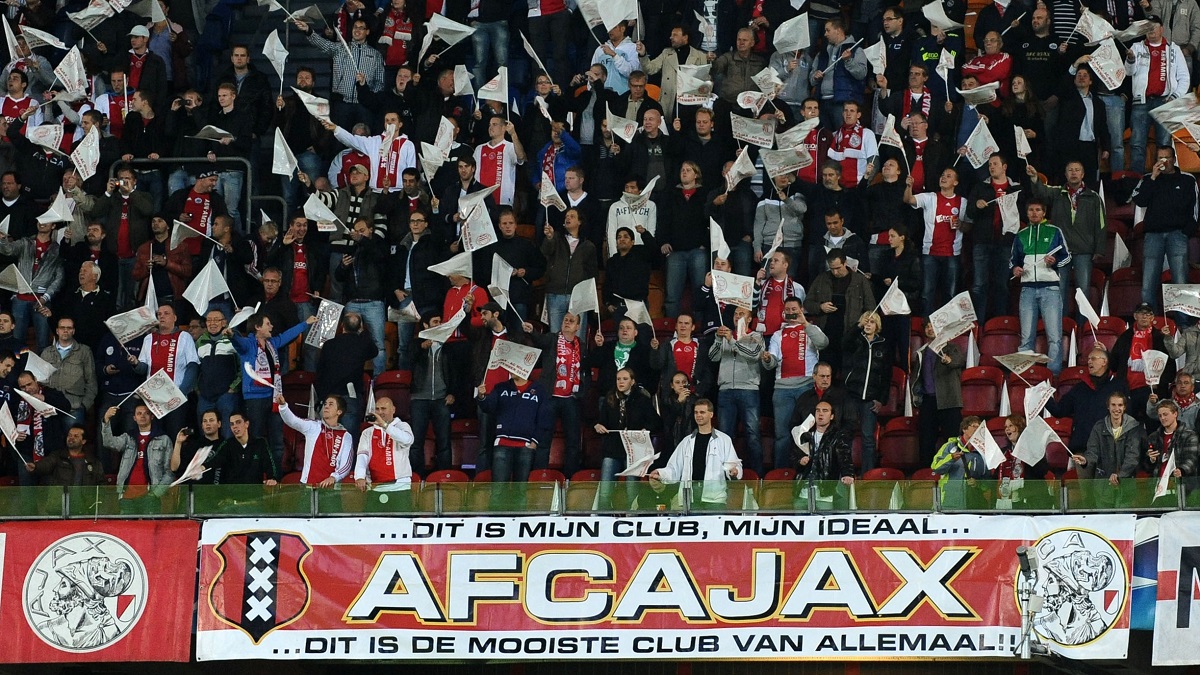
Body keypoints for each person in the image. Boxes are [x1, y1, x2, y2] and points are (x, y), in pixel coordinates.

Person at [1025, 160, 1105, 324]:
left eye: (1077, 170)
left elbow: (1101, 225)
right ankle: (1060, 326)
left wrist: (1099, 249)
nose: (1073, 173)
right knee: (1059, 290)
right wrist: (1034, 178)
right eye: (1070, 170)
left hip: (1084, 250)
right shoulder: (1057, 193)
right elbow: (1041, 193)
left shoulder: (1093, 197)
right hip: (1061, 251)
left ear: (1083, 174)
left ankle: (1083, 329)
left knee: (1083, 291)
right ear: (1065, 174)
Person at [233, 313, 316, 468]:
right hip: (255, 398)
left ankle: (276, 477)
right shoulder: (248, 345)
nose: (271, 327)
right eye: (268, 324)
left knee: (278, 442)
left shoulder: (272, 343)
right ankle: (254, 476)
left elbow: (287, 335)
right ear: (258, 327)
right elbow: (237, 342)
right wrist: (232, 334)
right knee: (255, 439)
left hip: (274, 398)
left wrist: (305, 323)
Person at [1132, 146, 1198, 319]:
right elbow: (1139, 200)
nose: (1163, 162)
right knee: (1148, 283)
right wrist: (1153, 177)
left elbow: (1195, 208)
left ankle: (1183, 324)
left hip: (1177, 234)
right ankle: (1150, 324)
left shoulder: (1187, 179)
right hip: (1153, 235)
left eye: (1167, 158)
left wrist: (1186, 232)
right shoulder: (1148, 178)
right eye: (1160, 158)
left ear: (1174, 159)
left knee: (1180, 281)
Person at [764, 298, 829, 468]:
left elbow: (823, 343)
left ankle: (808, 470)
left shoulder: (811, 329)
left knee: (807, 431)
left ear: (801, 309)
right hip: (782, 388)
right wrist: (767, 359)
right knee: (782, 435)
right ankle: (780, 474)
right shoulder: (778, 334)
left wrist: (805, 324)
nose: (791, 312)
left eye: (794, 309)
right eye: (788, 309)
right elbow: (772, 362)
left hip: (806, 386)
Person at [475, 370, 553, 506]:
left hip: (525, 446)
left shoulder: (539, 390)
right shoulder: (501, 387)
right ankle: (495, 520)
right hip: (502, 445)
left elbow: (544, 418)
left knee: (520, 490)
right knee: (498, 489)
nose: (512, 371)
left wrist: (535, 441)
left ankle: (519, 522)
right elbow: (489, 407)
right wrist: (481, 396)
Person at [1011, 198, 1071, 375]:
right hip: (1027, 289)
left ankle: (1053, 375)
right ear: (1027, 213)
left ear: (1044, 213)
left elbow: (1067, 257)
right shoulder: (1021, 234)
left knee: (1054, 336)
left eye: (1038, 210)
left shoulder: (1054, 231)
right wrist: (1015, 269)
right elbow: (1013, 260)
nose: (1034, 213)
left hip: (1050, 289)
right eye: (1031, 210)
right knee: (1026, 337)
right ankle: (1026, 375)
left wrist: (1054, 262)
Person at [649, 399, 742, 509]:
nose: (698, 415)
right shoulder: (686, 441)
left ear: (711, 414)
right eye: (696, 412)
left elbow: (733, 465)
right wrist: (660, 473)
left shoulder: (724, 440)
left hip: (714, 498)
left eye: (702, 412)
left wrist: (734, 472)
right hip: (690, 497)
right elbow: (674, 468)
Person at [710, 305, 768, 475]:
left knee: (753, 435)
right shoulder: (725, 335)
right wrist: (719, 339)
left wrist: (732, 341)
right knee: (724, 436)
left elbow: (754, 355)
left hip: (748, 390)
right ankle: (721, 476)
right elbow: (713, 357)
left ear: (750, 318)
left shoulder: (755, 336)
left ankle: (758, 476)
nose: (737, 316)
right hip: (726, 390)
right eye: (735, 313)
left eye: (742, 313)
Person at [526, 312, 586, 474]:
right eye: (565, 320)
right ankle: (539, 476)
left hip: (571, 398)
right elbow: (539, 340)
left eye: (571, 321)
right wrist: (532, 331)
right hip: (550, 397)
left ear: (578, 327)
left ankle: (569, 479)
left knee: (573, 443)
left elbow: (586, 369)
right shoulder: (552, 339)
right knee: (544, 440)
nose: (567, 322)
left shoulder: (581, 344)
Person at [594, 368, 660, 509]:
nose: (621, 382)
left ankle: (633, 520)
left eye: (625, 379)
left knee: (632, 491)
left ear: (633, 381)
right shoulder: (609, 398)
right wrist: (598, 426)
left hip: (633, 451)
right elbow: (601, 421)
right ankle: (602, 520)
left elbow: (656, 422)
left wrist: (645, 429)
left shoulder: (642, 400)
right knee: (605, 491)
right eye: (618, 379)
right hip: (612, 449)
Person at [803, 249, 875, 372]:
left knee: (849, 370)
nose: (835, 272)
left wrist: (862, 326)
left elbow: (871, 308)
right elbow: (807, 303)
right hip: (827, 333)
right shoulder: (821, 279)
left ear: (845, 262)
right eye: (832, 269)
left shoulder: (860, 280)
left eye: (838, 268)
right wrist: (820, 307)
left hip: (851, 334)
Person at [0, 210, 62, 350]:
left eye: (47, 221)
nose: (42, 223)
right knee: (16, 340)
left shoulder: (56, 249)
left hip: (41, 300)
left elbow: (59, 278)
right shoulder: (26, 243)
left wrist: (45, 298)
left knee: (42, 342)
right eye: (40, 220)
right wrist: (2, 239)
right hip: (20, 298)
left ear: (53, 226)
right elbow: (8, 250)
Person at [904, 169, 965, 310]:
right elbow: (908, 200)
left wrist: (961, 224)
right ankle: (927, 327)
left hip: (952, 254)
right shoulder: (930, 197)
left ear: (955, 182)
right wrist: (909, 187)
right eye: (942, 175)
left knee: (950, 294)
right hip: (930, 253)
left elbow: (968, 226)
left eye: (948, 176)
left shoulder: (963, 202)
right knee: (926, 293)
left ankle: (946, 327)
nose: (943, 177)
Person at [136, 304, 198, 437]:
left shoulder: (184, 337)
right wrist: (135, 363)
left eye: (166, 313)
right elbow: (142, 369)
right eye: (159, 314)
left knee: (174, 436)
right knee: (155, 437)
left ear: (175, 317)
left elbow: (193, 365)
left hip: (176, 398)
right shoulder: (148, 338)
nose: (162, 316)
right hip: (154, 399)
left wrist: (181, 393)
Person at [842, 311, 893, 472]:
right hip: (852, 395)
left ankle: (868, 474)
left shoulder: (884, 344)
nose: (868, 324)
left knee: (868, 438)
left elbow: (886, 375)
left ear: (877, 325)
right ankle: (846, 472)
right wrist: (858, 326)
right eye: (866, 321)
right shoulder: (856, 340)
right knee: (847, 435)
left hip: (870, 398)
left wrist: (881, 399)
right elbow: (844, 343)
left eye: (872, 322)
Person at [1078, 392, 1146, 507]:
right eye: (1113, 405)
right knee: (1104, 523)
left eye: (1120, 405)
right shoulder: (1098, 427)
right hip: (1103, 488)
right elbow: (1092, 451)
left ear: (1124, 407)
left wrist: (1119, 475)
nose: (1116, 409)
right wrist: (1085, 461)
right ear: (1108, 407)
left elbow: (1133, 456)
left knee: (1124, 523)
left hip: (1126, 487)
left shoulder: (1133, 427)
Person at [315, 312, 379, 435]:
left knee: (329, 439)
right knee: (349, 439)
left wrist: (322, 396)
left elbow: (320, 371)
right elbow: (374, 351)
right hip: (351, 396)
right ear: (360, 326)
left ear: (342, 325)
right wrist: (364, 332)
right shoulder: (362, 343)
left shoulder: (329, 344)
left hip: (330, 396)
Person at [1112, 303, 1177, 420]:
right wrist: (1104, 351)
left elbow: (1170, 368)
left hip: (1153, 393)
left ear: (1152, 318)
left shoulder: (1160, 338)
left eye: (1148, 314)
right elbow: (1114, 364)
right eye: (1142, 313)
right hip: (1129, 392)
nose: (1145, 317)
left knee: (1153, 431)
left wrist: (1159, 382)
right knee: (1129, 431)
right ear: (1135, 316)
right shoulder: (1124, 337)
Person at [277, 392, 354, 487]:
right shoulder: (313, 426)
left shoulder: (346, 436)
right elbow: (292, 421)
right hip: (307, 485)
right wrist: (283, 406)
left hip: (331, 489)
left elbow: (346, 465)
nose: (326, 407)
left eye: (331, 404)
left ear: (339, 412)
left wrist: (334, 477)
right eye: (325, 404)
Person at [541, 208, 598, 334]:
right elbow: (545, 251)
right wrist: (549, 237)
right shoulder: (556, 238)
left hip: (578, 297)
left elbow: (592, 274)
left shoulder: (588, 246)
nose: (568, 218)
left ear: (580, 222)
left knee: (577, 335)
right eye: (566, 216)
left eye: (572, 216)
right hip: (555, 294)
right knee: (556, 334)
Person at [410, 315, 454, 474]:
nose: (439, 324)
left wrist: (452, 393)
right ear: (425, 324)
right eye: (435, 321)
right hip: (419, 398)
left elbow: (455, 374)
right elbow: (407, 361)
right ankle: (417, 478)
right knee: (416, 442)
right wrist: (420, 348)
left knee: (444, 442)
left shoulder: (447, 347)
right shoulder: (416, 343)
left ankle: (445, 477)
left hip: (441, 399)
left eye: (440, 321)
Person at [353, 396, 415, 507]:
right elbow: (362, 456)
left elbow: (408, 440)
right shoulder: (367, 432)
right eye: (377, 409)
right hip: (375, 487)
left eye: (383, 409)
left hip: (399, 486)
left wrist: (385, 426)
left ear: (393, 410)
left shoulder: (402, 426)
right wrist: (359, 476)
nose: (380, 412)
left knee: (401, 523)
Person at [101, 403, 173, 499]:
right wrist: (106, 419)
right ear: (134, 418)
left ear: (152, 416)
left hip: (150, 497)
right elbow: (109, 442)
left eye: (146, 413)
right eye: (139, 413)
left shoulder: (164, 439)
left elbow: (170, 471)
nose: (142, 416)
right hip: (126, 495)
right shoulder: (128, 437)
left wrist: (156, 493)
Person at [794, 400, 855, 510]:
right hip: (803, 490)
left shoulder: (837, 436)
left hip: (824, 491)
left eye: (825, 411)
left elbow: (844, 456)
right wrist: (800, 460)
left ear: (831, 416)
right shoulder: (805, 435)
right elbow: (793, 456)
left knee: (824, 523)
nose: (820, 414)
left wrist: (848, 473)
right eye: (818, 411)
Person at [40, 317, 97, 423]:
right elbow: (39, 379)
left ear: (73, 331)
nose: (65, 330)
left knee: (73, 439)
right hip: (49, 405)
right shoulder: (46, 352)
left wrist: (84, 405)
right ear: (57, 331)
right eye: (62, 327)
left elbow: (91, 381)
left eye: (69, 328)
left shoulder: (84, 351)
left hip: (74, 407)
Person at [194, 309, 240, 438]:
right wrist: (197, 389)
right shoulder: (200, 341)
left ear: (224, 322)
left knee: (228, 433)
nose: (212, 323)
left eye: (216, 320)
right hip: (205, 396)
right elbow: (194, 368)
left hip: (227, 395)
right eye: (209, 320)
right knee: (205, 433)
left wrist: (233, 387)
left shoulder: (233, 338)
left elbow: (243, 366)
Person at [1146, 399, 1198, 503]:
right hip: (1159, 489)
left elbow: (1192, 459)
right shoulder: (1153, 437)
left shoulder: (1189, 435)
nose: (1162, 418)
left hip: (1183, 490)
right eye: (1160, 415)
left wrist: (1182, 470)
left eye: (1165, 414)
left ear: (1175, 414)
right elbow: (1148, 467)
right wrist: (1151, 460)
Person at [930, 416, 988, 509]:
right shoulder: (949, 446)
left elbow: (987, 480)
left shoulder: (982, 452)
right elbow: (936, 468)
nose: (977, 429)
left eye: (980, 427)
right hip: (949, 501)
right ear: (964, 429)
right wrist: (950, 458)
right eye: (974, 426)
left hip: (973, 504)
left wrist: (978, 484)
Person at [994, 415, 1051, 508]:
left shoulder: (1033, 448)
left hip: (1031, 501)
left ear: (1020, 427)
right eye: (1006, 427)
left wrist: (1027, 454)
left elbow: (1042, 470)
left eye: (1011, 425)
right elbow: (995, 477)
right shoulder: (1004, 452)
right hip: (1009, 503)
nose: (1007, 429)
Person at [211, 412, 280, 485]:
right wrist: (202, 467)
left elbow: (270, 465)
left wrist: (272, 478)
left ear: (246, 424)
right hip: (232, 494)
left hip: (255, 493)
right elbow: (215, 460)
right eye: (232, 424)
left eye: (238, 422)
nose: (235, 426)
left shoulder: (260, 443)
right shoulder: (227, 444)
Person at [170, 411, 223, 485]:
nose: (208, 423)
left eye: (211, 420)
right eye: (205, 421)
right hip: (195, 491)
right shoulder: (193, 445)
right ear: (202, 425)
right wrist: (178, 443)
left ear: (219, 424)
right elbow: (174, 468)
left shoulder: (226, 445)